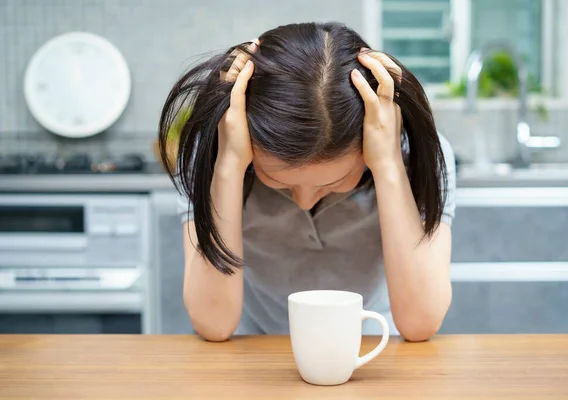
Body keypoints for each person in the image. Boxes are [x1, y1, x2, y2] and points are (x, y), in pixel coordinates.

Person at [158, 22, 456, 342]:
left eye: (334, 182)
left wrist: (389, 164)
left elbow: (421, 322)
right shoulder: (209, 155)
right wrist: (229, 164)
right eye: (280, 182)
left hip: (375, 345)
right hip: (252, 349)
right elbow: (212, 324)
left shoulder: (420, 157)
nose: (304, 202)